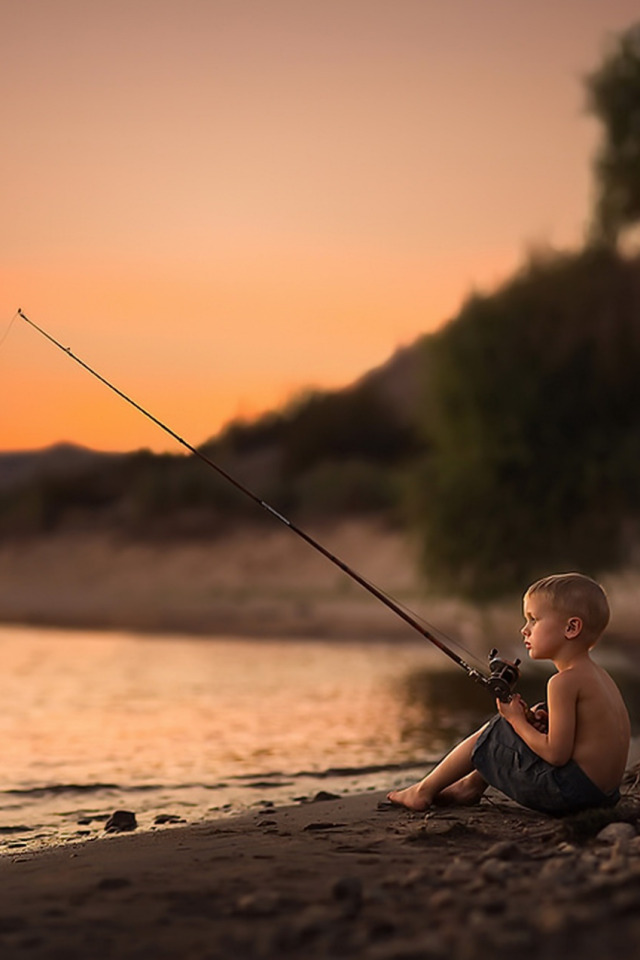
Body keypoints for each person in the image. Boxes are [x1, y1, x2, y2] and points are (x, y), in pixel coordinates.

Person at [388, 573, 630, 815]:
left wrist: (515, 720)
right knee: (535, 713)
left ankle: (422, 791)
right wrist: (531, 722)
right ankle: (468, 786)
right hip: (604, 796)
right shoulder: (600, 677)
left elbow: (556, 755)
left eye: (534, 620)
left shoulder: (562, 682)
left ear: (571, 627)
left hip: (572, 794)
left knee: (498, 729)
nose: (524, 630)